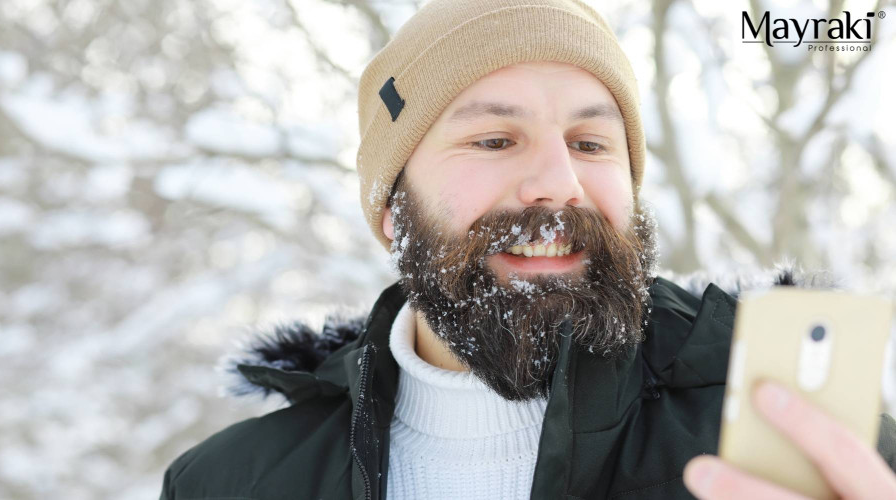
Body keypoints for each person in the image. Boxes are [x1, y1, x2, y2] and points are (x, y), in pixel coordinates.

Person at [159, 0, 896, 498]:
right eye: (494, 139)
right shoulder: (234, 482)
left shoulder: (803, 442)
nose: (558, 183)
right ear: (390, 210)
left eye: (590, 142)